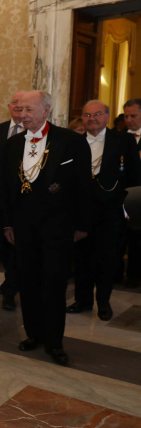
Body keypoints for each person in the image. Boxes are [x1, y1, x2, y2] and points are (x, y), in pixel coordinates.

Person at [2, 90, 92, 366]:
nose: (23, 114)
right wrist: (7, 222)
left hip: (58, 227)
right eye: (20, 109)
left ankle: (54, 342)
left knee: (53, 285)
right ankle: (34, 335)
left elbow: (83, 188)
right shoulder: (13, 143)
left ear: (46, 110)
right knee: (27, 282)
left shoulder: (72, 142)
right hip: (23, 228)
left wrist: (82, 225)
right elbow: (4, 187)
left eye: (29, 109)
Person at [66, 100, 141, 321]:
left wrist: (129, 209)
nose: (92, 119)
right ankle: (83, 300)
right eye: (87, 115)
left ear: (107, 117)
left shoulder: (123, 140)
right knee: (82, 258)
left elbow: (135, 177)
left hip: (112, 211)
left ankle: (104, 301)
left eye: (97, 114)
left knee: (108, 258)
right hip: (81, 211)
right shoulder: (73, 142)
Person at [0, 91, 25, 310]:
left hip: (22, 197)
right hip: (0, 196)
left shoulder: (34, 131)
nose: (18, 108)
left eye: (23, 104)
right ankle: (9, 280)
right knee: (4, 244)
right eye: (15, 103)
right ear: (9, 106)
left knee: (16, 247)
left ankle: (11, 290)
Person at [123, 99, 141, 287]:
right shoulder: (118, 137)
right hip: (122, 195)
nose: (129, 119)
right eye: (126, 116)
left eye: (133, 116)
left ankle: (135, 275)